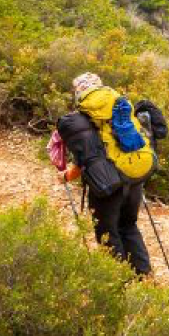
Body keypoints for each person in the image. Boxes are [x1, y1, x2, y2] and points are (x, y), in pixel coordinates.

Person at [63, 72, 154, 276]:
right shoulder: (120, 106)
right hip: (134, 178)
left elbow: (82, 162)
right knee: (128, 226)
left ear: (79, 93)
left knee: (108, 234)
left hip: (107, 185)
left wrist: (65, 176)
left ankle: (119, 285)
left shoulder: (82, 119)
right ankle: (144, 277)